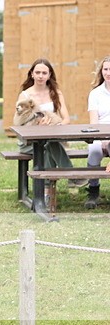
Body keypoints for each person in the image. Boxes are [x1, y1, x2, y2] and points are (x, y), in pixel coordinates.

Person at [14, 58, 79, 192]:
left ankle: (45, 193)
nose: (40, 76)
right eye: (37, 72)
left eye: (44, 73)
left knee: (49, 144)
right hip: (29, 143)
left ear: (49, 75)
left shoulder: (56, 93)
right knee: (48, 146)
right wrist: (36, 127)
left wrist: (55, 125)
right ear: (32, 74)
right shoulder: (25, 95)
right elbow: (17, 124)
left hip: (51, 136)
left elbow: (66, 119)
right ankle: (72, 176)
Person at [84, 55, 110, 209]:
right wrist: (102, 139)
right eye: (106, 69)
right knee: (94, 151)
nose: (109, 72)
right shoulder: (95, 94)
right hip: (100, 134)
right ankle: (93, 190)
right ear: (101, 71)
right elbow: (94, 122)